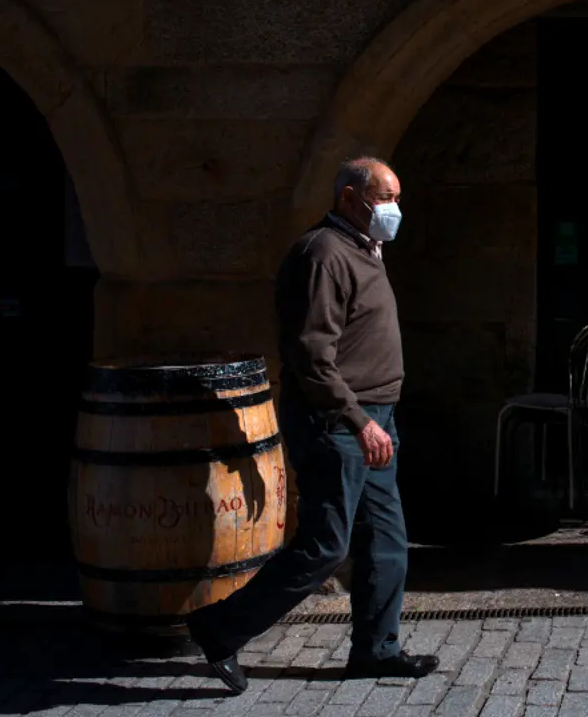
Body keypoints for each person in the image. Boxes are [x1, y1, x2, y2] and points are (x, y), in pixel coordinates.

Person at [185, 157, 437, 694]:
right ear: (350, 197)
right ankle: (218, 628)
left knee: (386, 540)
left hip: (375, 418)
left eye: (395, 198)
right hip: (338, 422)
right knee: (325, 544)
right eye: (384, 198)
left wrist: (376, 420)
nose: (393, 210)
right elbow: (311, 355)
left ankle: (377, 649)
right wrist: (357, 419)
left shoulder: (365, 248)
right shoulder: (322, 253)